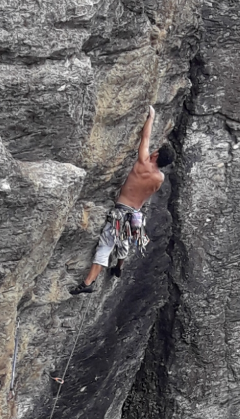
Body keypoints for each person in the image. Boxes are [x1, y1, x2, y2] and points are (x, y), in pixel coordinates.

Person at [70, 105, 175, 294]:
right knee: (125, 238)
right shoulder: (159, 179)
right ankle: (119, 266)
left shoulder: (143, 163)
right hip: (135, 214)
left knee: (106, 245)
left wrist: (150, 117)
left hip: (121, 211)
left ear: (156, 154)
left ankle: (88, 283)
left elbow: (145, 138)